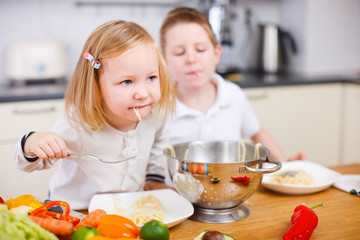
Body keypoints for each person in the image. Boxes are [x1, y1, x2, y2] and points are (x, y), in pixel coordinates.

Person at [13, 20, 175, 210]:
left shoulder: (155, 116)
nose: (143, 93)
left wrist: (154, 178)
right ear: (95, 87)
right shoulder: (76, 125)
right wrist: (31, 143)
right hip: (73, 210)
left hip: (124, 208)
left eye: (151, 78)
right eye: (127, 82)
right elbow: (27, 164)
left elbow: (158, 144)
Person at [159, 7, 306, 163]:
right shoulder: (159, 106)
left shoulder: (233, 95)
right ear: (165, 61)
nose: (191, 59)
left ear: (216, 54)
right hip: (174, 188)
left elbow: (257, 133)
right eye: (179, 53)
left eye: (200, 49)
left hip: (229, 186)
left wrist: (284, 166)